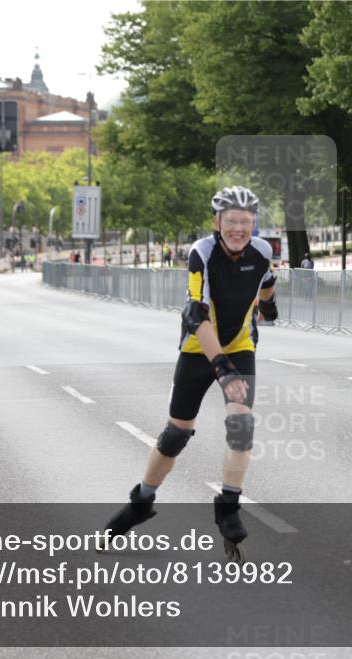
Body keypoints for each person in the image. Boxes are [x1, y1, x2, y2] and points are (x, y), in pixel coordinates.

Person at [100, 186, 277, 563]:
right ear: (217, 222)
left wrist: (269, 305)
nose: (238, 229)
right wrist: (223, 369)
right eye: (231, 221)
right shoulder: (202, 253)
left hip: (241, 346)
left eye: (246, 222)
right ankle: (140, 502)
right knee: (176, 434)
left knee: (242, 425)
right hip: (199, 348)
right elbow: (197, 316)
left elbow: (266, 282)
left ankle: (228, 506)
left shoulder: (263, 251)